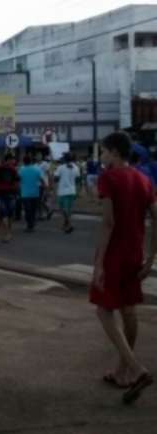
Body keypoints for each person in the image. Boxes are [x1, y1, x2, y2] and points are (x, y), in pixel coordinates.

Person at [91, 132, 155, 404]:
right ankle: (121, 372)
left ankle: (136, 368)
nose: (102, 157)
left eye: (103, 152)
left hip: (115, 253)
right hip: (135, 253)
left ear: (115, 152)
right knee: (128, 311)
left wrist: (98, 264)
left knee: (103, 310)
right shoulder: (144, 179)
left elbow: (108, 223)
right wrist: (150, 258)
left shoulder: (109, 178)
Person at [0, 154, 20, 242]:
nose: (13, 161)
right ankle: (8, 232)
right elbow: (17, 182)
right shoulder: (13, 169)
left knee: (5, 213)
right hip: (10, 193)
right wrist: (17, 192)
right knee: (8, 213)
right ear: (8, 160)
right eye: (12, 160)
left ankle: (7, 232)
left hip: (1, 193)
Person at [55, 153, 81, 234]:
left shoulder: (60, 167)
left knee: (63, 209)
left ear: (65, 159)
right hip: (72, 191)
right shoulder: (76, 168)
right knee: (68, 210)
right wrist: (77, 190)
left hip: (63, 191)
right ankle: (65, 224)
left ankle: (69, 224)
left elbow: (56, 179)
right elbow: (78, 180)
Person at [19, 155, 44, 233]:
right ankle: (32, 224)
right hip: (35, 193)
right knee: (33, 210)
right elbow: (42, 180)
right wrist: (45, 187)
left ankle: (29, 225)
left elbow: (18, 180)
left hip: (25, 194)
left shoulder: (21, 170)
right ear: (31, 161)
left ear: (24, 162)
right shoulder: (37, 169)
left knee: (27, 210)